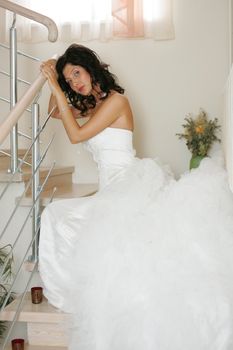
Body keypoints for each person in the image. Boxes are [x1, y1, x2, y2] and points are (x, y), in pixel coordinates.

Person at [39, 44, 233, 350]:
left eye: (77, 72)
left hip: (128, 180)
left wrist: (54, 83)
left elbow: (75, 135)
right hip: (110, 187)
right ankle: (77, 292)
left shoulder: (116, 101)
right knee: (57, 216)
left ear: (91, 68)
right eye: (69, 78)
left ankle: (87, 294)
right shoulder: (88, 107)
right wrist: (55, 77)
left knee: (68, 219)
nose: (75, 81)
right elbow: (54, 110)